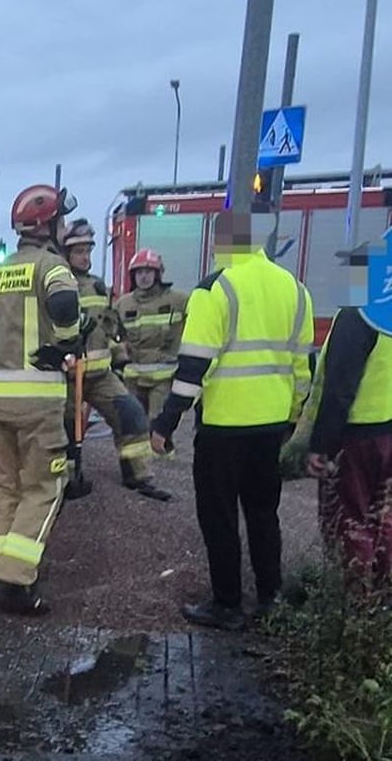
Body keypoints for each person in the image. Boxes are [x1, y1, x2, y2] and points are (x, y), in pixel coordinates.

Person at [150, 212, 313, 631]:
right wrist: (292, 419)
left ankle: (227, 604)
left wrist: (166, 422)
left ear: (221, 243)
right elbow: (301, 368)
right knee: (264, 513)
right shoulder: (295, 290)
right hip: (272, 425)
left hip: (224, 428)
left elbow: (193, 369)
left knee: (219, 516)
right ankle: (271, 598)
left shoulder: (214, 289)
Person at [0, 184, 82, 616]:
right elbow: (63, 299)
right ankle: (14, 585)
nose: (65, 227)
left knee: (5, 487)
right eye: (62, 220)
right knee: (44, 487)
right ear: (48, 226)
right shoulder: (52, 266)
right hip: (37, 402)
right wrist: (68, 340)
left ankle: (5, 567)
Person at [61, 219, 170, 501]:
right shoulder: (57, 283)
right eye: (79, 251)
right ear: (66, 254)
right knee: (67, 432)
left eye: (88, 250)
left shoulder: (98, 286)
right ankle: (67, 482)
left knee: (132, 415)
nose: (86, 257)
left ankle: (138, 476)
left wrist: (120, 362)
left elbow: (111, 327)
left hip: (99, 376)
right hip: (68, 377)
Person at [304, 305, 392, 589]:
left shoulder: (359, 314)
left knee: (349, 523)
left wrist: (321, 446)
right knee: (385, 521)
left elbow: (339, 388)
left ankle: (356, 608)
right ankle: (383, 601)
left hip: (359, 436)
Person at [115, 250, 189, 423]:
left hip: (163, 378)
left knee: (158, 426)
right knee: (133, 427)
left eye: (148, 272)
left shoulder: (179, 301)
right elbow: (112, 336)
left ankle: (161, 450)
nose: (144, 277)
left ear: (158, 274)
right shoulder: (122, 304)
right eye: (139, 272)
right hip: (132, 379)